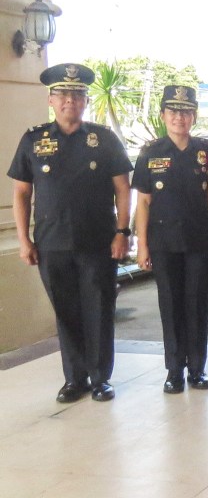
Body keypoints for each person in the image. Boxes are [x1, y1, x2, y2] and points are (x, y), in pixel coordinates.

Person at [7, 63, 132, 403]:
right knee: (66, 312)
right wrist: (24, 239)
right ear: (51, 100)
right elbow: (21, 193)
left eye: (77, 95)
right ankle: (74, 378)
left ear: (85, 100)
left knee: (99, 309)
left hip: (98, 242)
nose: (69, 101)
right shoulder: (34, 139)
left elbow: (123, 187)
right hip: (52, 243)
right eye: (63, 94)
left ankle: (100, 378)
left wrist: (123, 231)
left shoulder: (103, 139)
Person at [132, 85, 208, 394]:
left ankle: (197, 369)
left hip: (199, 241)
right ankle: (174, 370)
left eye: (186, 112)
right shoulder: (151, 152)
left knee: (197, 305)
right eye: (174, 111)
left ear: (193, 115)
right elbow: (143, 202)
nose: (180, 117)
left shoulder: (207, 150)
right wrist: (142, 245)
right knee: (170, 305)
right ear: (163, 115)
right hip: (164, 241)